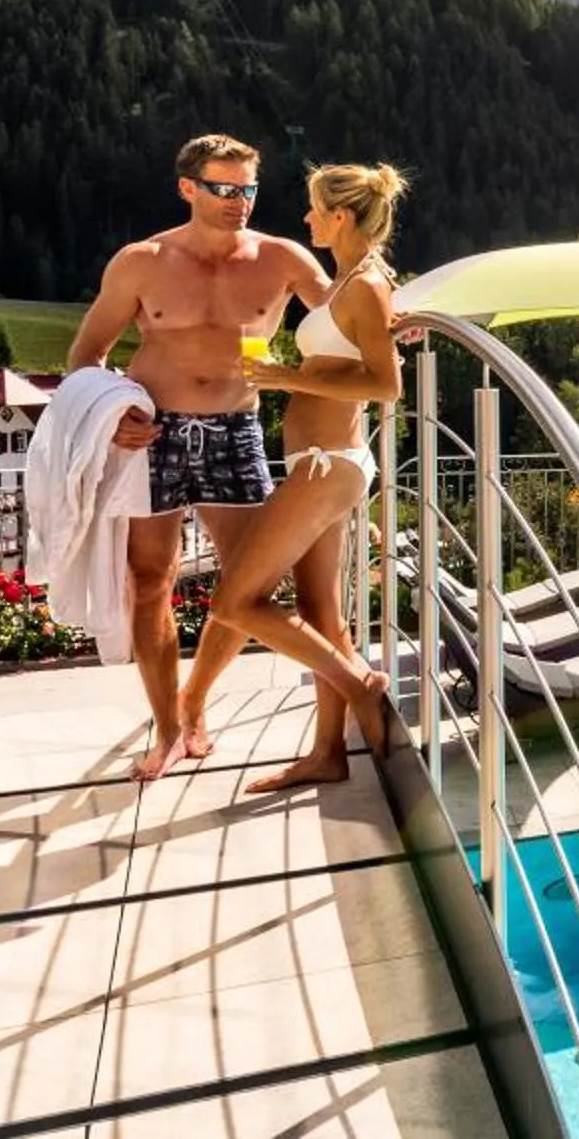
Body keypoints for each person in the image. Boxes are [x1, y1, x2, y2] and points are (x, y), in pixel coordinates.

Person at [66, 133, 328, 780]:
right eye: (224, 189)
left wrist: (395, 313)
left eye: (248, 190)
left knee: (248, 587)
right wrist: (111, 412)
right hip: (152, 431)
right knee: (150, 580)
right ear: (188, 188)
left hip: (237, 429)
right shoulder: (142, 261)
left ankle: (195, 700)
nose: (239, 202)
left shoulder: (283, 259)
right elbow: (86, 355)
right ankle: (166, 728)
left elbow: (351, 310)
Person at [176, 162, 410, 790]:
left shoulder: (364, 285)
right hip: (324, 462)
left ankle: (359, 684)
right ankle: (326, 755)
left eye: (313, 209)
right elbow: (360, 352)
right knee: (318, 610)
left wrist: (288, 378)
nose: (306, 219)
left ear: (341, 217)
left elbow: (386, 385)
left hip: (327, 465)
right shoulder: (352, 280)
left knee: (233, 600)